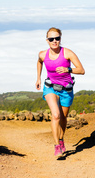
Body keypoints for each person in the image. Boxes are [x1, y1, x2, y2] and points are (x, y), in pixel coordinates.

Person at [36, 27, 85, 156]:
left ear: (60, 39)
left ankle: (61, 139)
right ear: (47, 40)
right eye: (51, 39)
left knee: (63, 118)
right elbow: (39, 62)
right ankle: (57, 145)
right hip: (50, 87)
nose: (54, 41)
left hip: (66, 90)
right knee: (56, 115)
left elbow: (81, 70)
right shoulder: (42, 54)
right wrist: (38, 79)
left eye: (57, 38)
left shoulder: (67, 53)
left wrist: (67, 69)